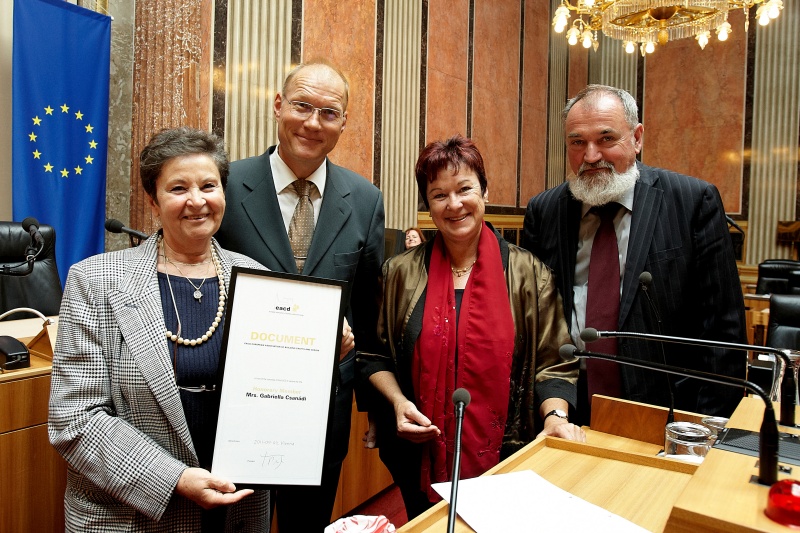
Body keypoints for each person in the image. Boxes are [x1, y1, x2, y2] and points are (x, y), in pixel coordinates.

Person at [47, 127, 272, 531]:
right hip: (132, 517)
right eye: (178, 188)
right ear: (153, 200)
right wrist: (175, 479)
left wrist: (322, 355)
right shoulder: (96, 282)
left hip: (237, 512)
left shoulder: (257, 279)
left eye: (209, 185)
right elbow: (74, 418)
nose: (197, 201)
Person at [358, 134, 584, 519]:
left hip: (510, 456)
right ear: (427, 205)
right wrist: (398, 403)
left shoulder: (530, 274)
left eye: (465, 189)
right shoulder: (400, 273)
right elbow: (374, 355)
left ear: (484, 191)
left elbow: (554, 362)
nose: (454, 204)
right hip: (418, 457)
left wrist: (554, 417)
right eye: (439, 194)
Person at [215, 61, 385, 532]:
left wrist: (371, 408)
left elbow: (368, 310)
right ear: (277, 105)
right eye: (301, 106)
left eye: (328, 112)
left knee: (306, 524)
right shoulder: (225, 183)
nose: (313, 122)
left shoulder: (366, 198)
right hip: (237, 400)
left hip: (325, 404)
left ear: (344, 122)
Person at [522, 84, 747, 424]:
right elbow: (535, 324)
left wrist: (708, 427)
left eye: (606, 139)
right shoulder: (545, 211)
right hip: (565, 409)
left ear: (637, 138)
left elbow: (723, 331)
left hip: (667, 409)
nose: (591, 155)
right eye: (577, 142)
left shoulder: (690, 202)